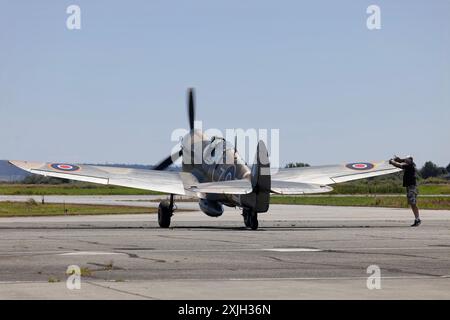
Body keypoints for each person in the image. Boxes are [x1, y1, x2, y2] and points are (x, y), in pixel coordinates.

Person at [389, 155, 421, 227]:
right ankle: (417, 219)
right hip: (410, 187)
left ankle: (417, 219)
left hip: (411, 187)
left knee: (413, 203)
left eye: (407, 160)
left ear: (410, 161)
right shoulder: (409, 164)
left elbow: (399, 165)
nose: (405, 161)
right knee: (412, 204)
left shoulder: (409, 166)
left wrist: (392, 161)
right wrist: (399, 159)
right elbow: (402, 161)